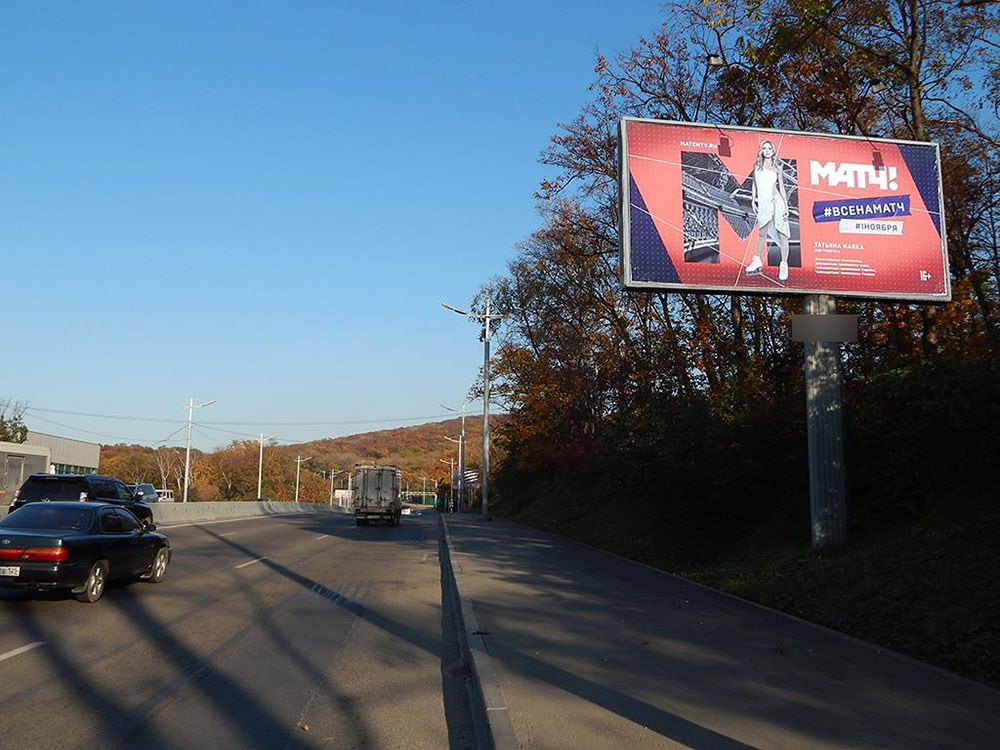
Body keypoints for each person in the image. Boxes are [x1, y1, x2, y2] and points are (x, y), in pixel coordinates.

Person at [746, 140, 791, 281]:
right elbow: (754, 184)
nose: (766, 150)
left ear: (773, 150)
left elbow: (781, 188)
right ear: (761, 150)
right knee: (762, 232)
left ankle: (783, 264)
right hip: (764, 203)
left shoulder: (777, 168)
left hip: (777, 202)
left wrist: (786, 206)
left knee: (783, 234)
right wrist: (753, 199)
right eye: (764, 148)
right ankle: (757, 260)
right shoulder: (757, 166)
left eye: (769, 148)